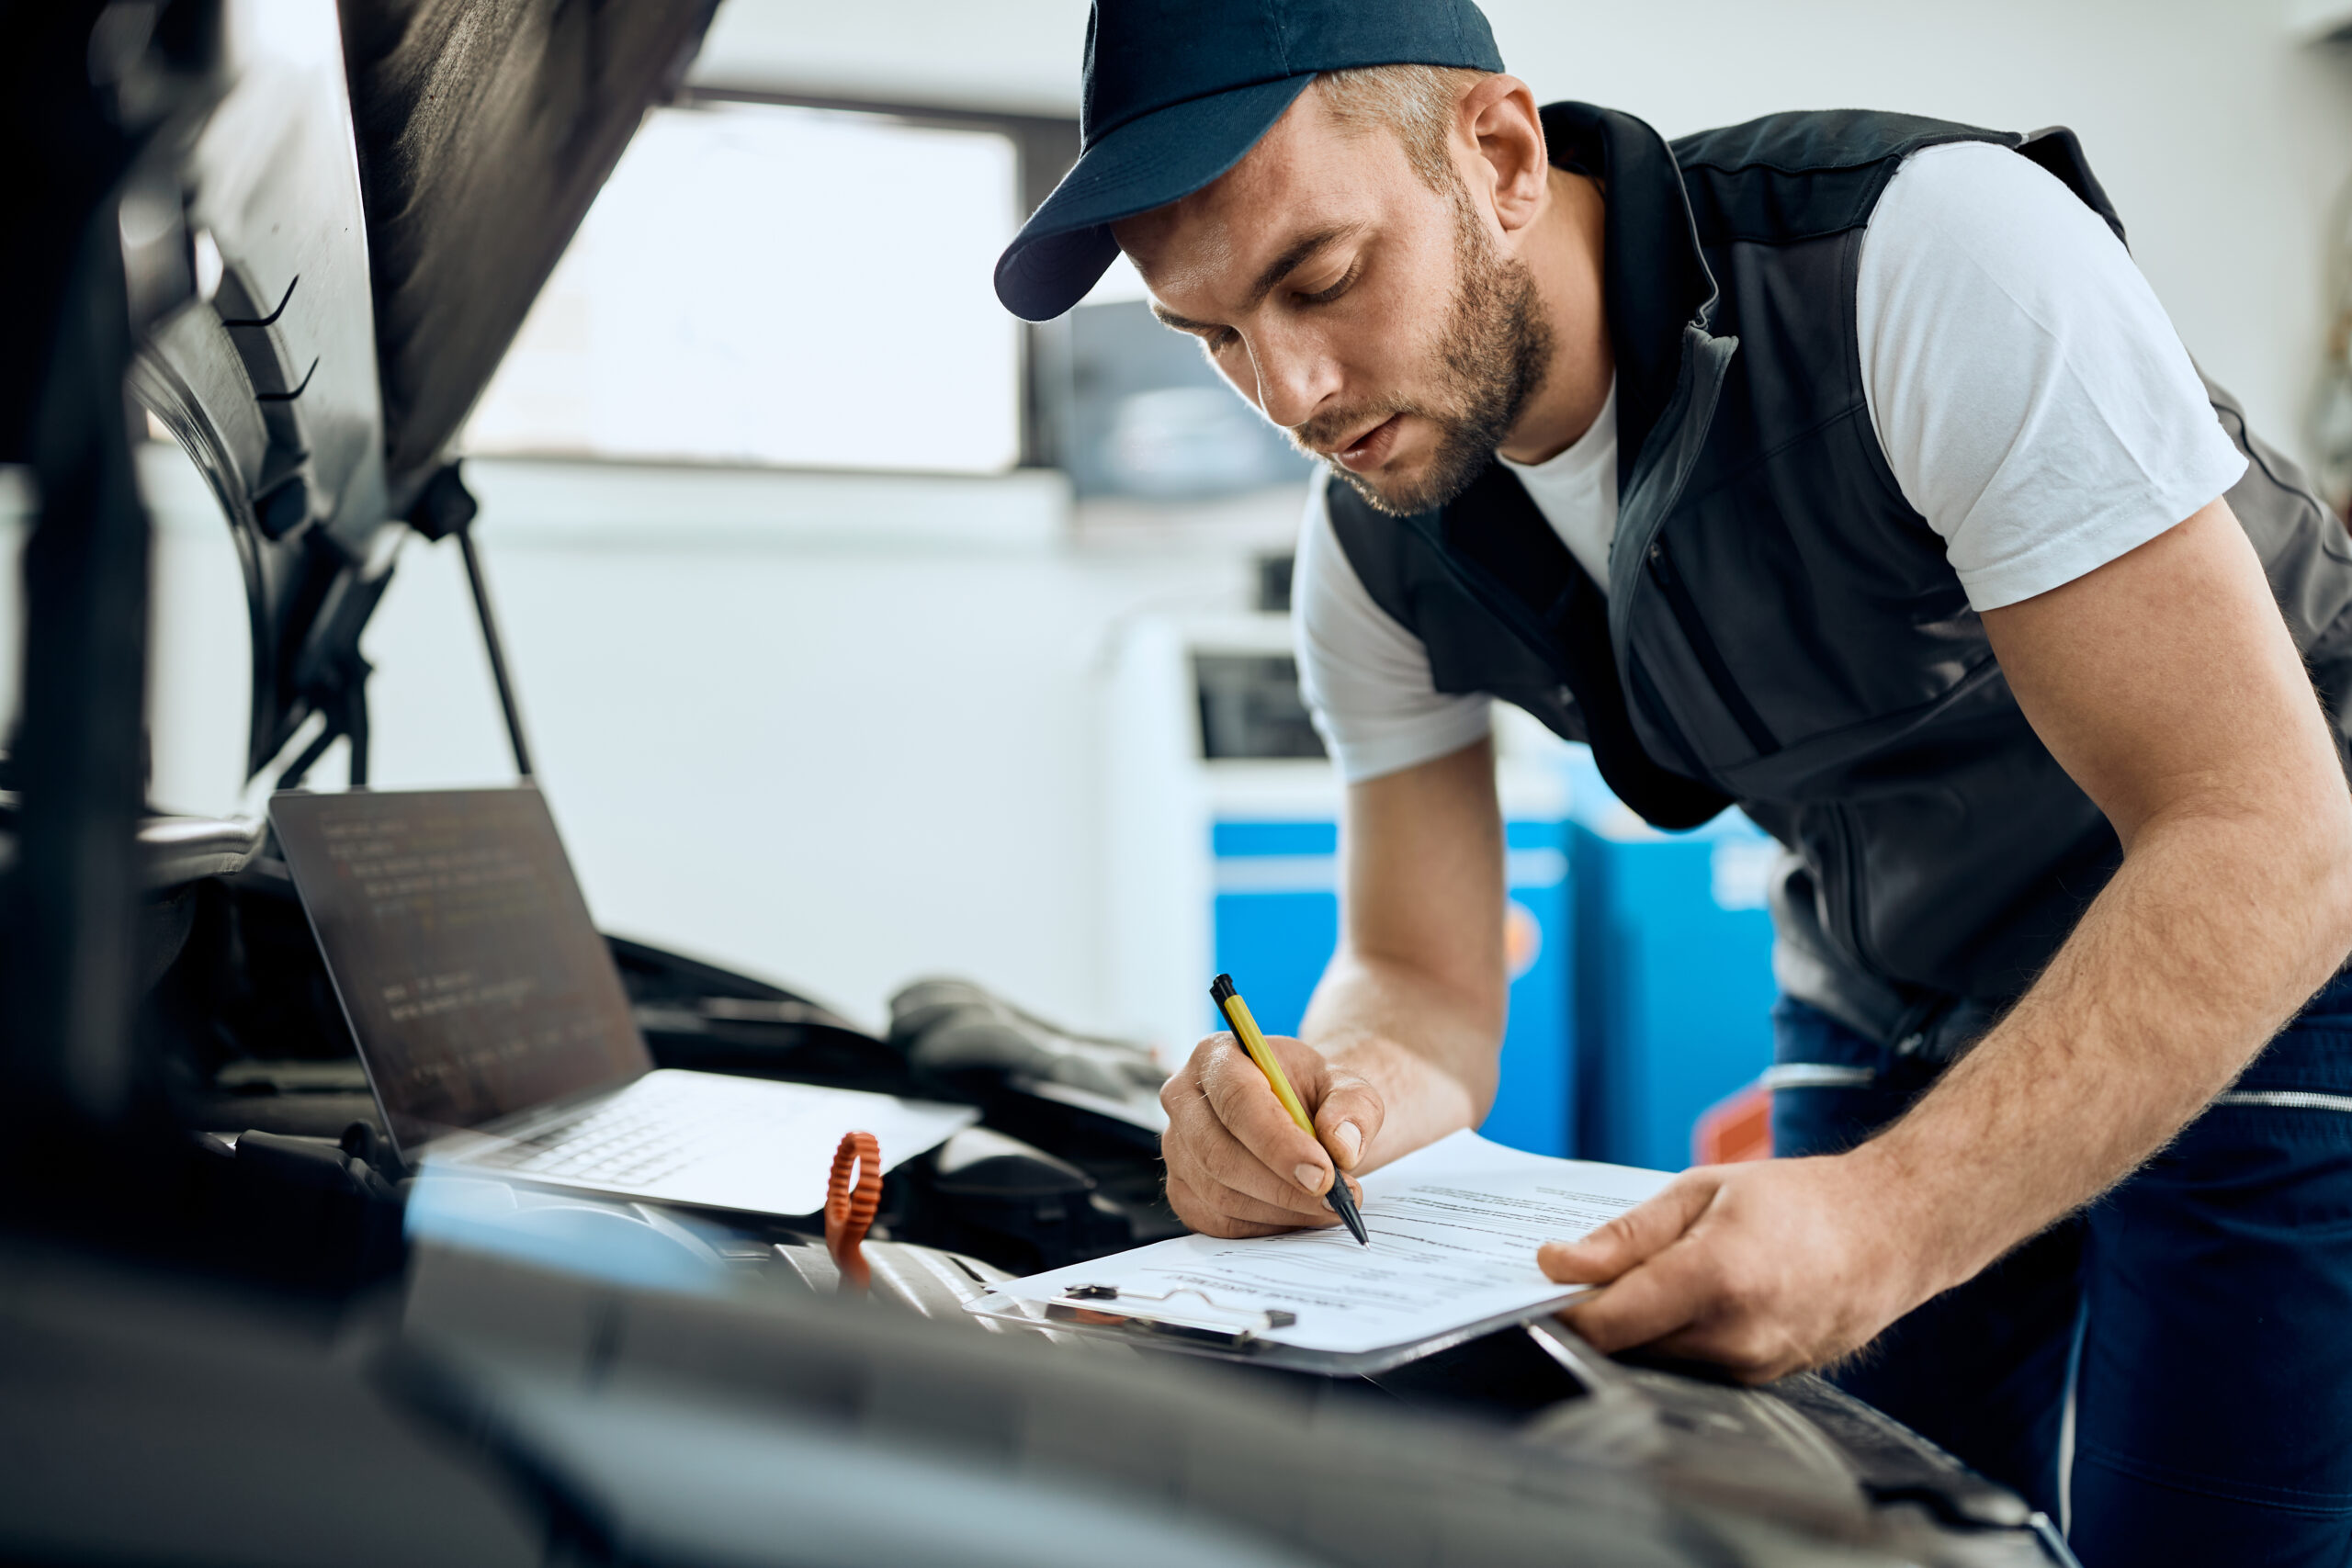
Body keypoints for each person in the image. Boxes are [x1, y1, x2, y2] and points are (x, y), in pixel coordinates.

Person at [996, 2, 2352, 1559]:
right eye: (1217, 337)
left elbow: (2267, 830)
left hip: (2279, 915)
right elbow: (1425, 978)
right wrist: (1344, 1095)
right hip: (1889, 960)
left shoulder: (1924, 260)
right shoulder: (1374, 554)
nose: (1292, 391)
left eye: (1321, 278)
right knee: (1844, 1525)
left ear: (1499, 154)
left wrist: (1895, 1218)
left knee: (2204, 1533)